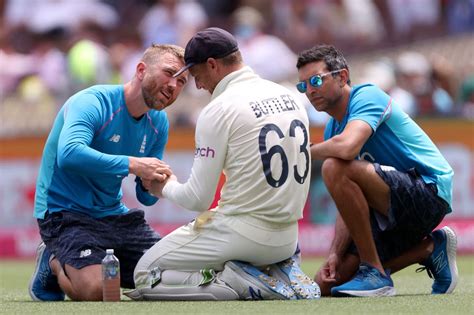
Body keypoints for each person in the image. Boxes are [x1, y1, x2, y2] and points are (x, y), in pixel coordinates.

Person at [125, 27, 320, 301]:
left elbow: (197, 199)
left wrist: (164, 187)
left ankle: (235, 279)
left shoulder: (219, 109)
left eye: (196, 75)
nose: (198, 85)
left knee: (145, 273)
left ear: (213, 65)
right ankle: (273, 269)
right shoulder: (289, 96)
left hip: (242, 234)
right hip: (288, 240)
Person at [29, 44, 189, 301]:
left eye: (181, 81)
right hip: (64, 212)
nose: (174, 85)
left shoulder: (159, 122)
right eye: (169, 73)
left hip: (113, 215)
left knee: (172, 276)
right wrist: (134, 164)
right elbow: (69, 153)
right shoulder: (93, 101)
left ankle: (88, 261)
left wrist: (155, 183)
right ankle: (53, 260)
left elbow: (145, 196)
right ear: (140, 70)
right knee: (99, 291)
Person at [295, 44, 457, 297]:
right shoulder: (332, 130)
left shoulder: (367, 95)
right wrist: (335, 253)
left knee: (334, 164)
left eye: (316, 80)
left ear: (342, 76)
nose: (310, 90)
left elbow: (347, 148)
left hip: (429, 192)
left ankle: (374, 272)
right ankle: (430, 248)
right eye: (303, 85)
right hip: (389, 204)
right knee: (328, 283)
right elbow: (345, 201)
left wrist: (299, 151)